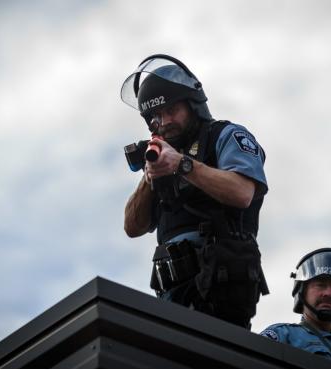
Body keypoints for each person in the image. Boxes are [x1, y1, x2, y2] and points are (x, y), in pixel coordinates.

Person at [121, 54, 269, 329]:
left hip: (221, 292)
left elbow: (242, 192)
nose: (164, 121)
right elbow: (132, 227)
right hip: (169, 299)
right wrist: (149, 175)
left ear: (192, 104)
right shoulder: (161, 156)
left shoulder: (226, 136)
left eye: (171, 110)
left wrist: (182, 165)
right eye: (156, 116)